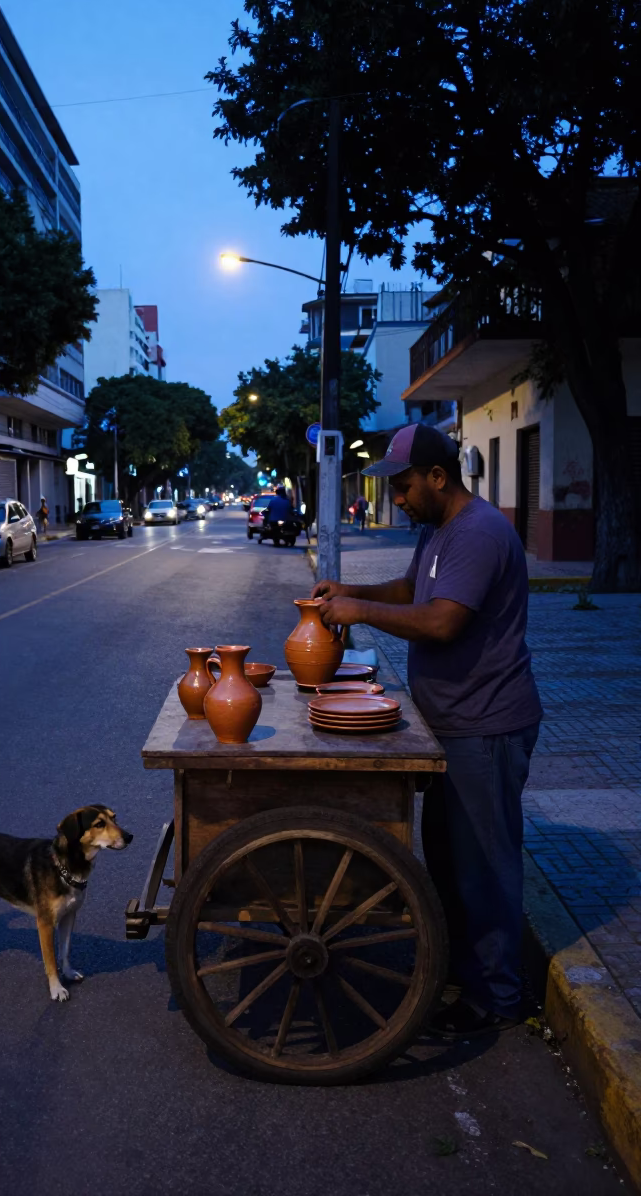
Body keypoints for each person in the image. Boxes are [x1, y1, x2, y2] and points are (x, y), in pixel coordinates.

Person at [312, 422, 542, 1038]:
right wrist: (353, 590)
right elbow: (410, 590)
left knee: (485, 866)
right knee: (446, 855)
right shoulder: (438, 530)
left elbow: (440, 622)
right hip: (451, 723)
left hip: (487, 724)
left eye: (407, 486)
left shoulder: (479, 533)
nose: (399, 499)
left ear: (438, 478)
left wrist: (359, 612)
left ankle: (499, 996)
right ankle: (463, 973)